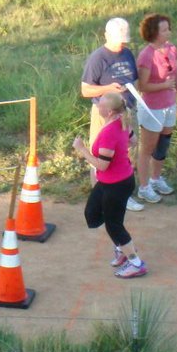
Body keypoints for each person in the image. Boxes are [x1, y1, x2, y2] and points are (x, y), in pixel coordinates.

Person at [72, 92, 147, 279]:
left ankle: (136, 263)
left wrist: (82, 150)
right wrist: (120, 152)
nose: (98, 106)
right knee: (92, 213)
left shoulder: (109, 131)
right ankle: (122, 249)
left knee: (114, 225)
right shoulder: (121, 121)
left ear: (110, 111)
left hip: (116, 184)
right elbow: (133, 141)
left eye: (101, 105)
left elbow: (102, 165)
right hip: (114, 181)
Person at [81, 17, 144, 212]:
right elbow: (85, 90)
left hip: (126, 112)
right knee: (100, 155)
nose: (121, 44)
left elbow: (134, 79)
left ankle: (123, 197)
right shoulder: (98, 58)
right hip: (104, 114)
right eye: (118, 40)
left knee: (126, 154)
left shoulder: (127, 54)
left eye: (123, 40)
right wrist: (108, 88)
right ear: (106, 36)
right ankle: (99, 196)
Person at [135, 13, 177, 204]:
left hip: (169, 105)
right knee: (147, 148)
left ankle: (156, 179)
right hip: (152, 108)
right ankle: (144, 187)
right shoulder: (147, 55)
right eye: (164, 30)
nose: (168, 32)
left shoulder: (172, 49)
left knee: (163, 145)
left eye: (168, 28)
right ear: (154, 33)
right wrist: (164, 86)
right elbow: (143, 86)